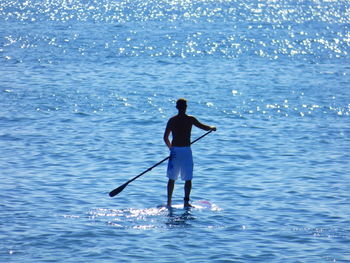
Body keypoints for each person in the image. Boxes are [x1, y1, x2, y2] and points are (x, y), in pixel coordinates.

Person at [163, 98, 216, 208]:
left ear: (177, 107)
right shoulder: (190, 119)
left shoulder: (172, 120)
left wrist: (171, 149)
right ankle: (186, 202)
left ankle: (169, 202)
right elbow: (204, 127)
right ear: (186, 107)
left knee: (172, 178)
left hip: (175, 151)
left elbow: (165, 138)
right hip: (186, 151)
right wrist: (212, 127)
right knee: (188, 178)